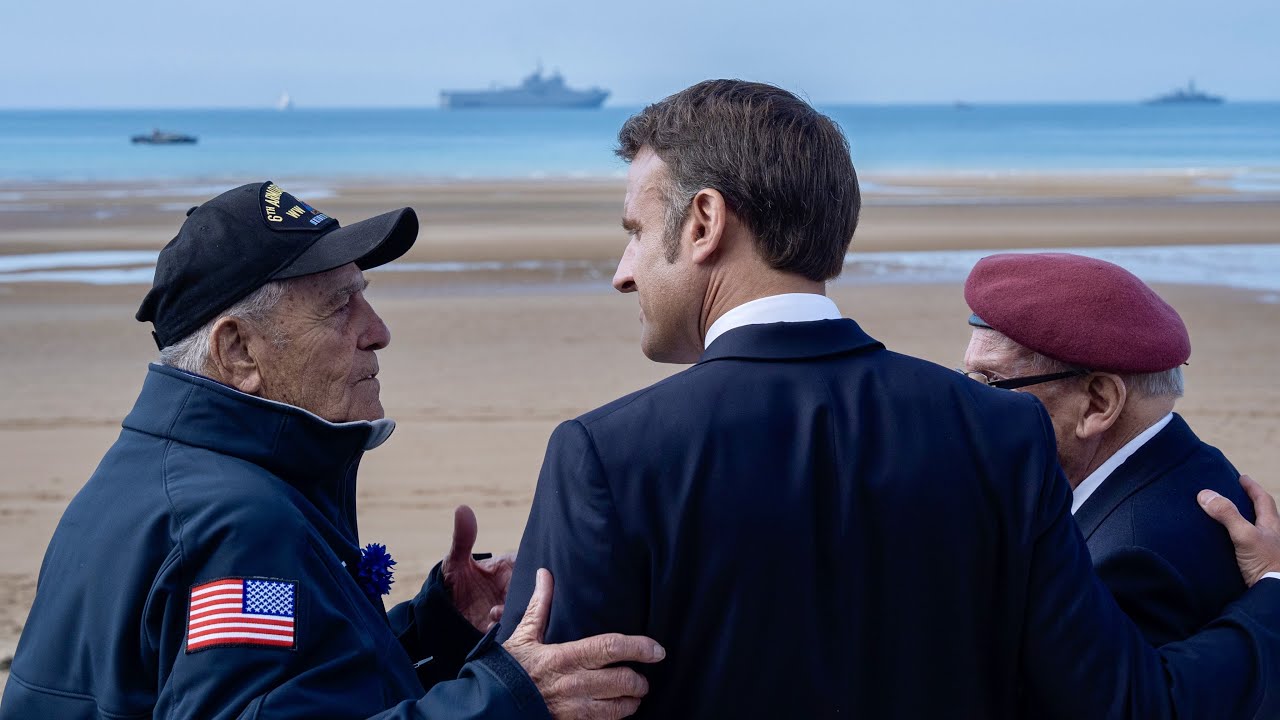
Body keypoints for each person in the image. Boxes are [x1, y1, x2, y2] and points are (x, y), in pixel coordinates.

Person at [497, 80, 1280, 719]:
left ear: (704, 222)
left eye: (635, 230)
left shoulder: (603, 455)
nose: (623, 271)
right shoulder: (1002, 434)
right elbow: (1120, 703)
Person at [0, 182, 663, 720]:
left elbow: (292, 685)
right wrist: (510, 698)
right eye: (339, 305)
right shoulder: (235, 524)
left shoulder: (155, 472)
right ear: (239, 351)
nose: (377, 332)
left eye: (364, 297)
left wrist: (433, 630)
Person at [960, 252, 1253, 645]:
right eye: (966, 378)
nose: (968, 403)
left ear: (1098, 403)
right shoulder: (1190, 462)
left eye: (989, 382)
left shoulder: (1131, 561)